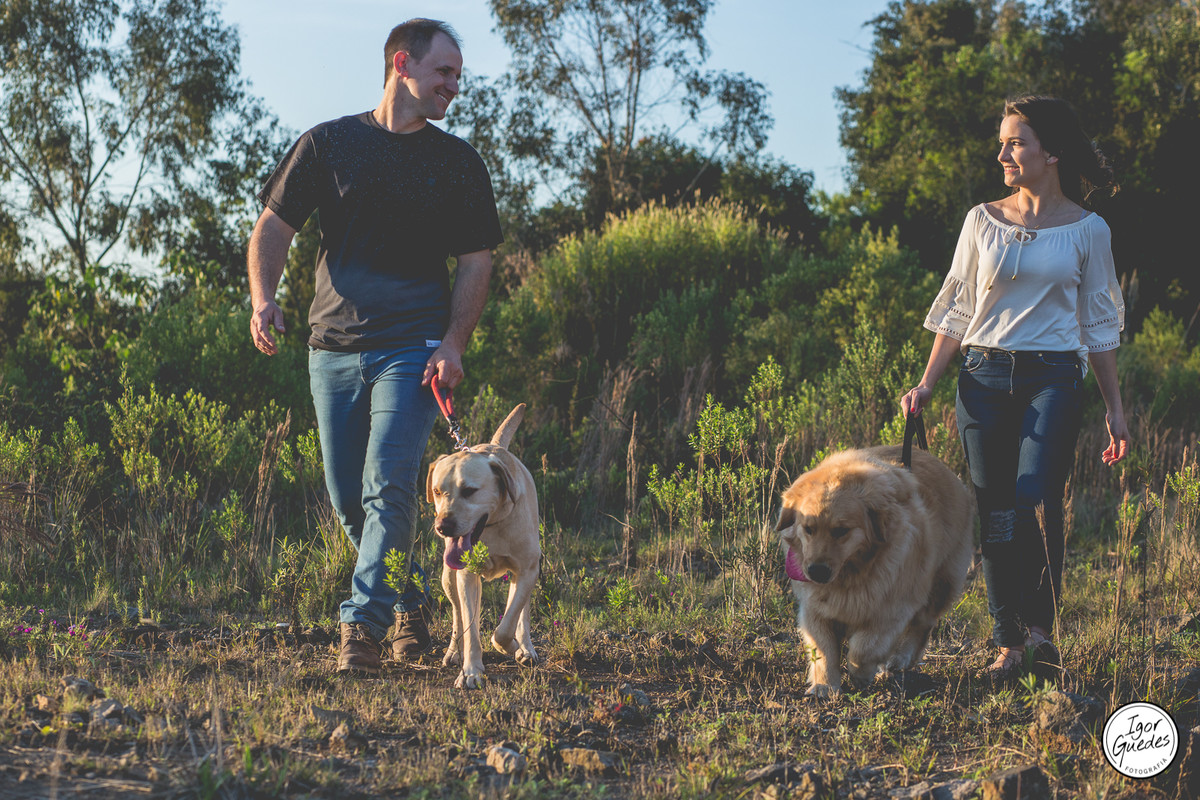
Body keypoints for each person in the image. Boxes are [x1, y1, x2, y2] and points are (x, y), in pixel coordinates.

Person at [248, 19, 503, 676]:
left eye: (458, 76)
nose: (454, 86)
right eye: (444, 72)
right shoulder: (328, 144)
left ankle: (360, 627)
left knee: (388, 485)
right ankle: (410, 601)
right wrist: (263, 297)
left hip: (413, 350)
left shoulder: (457, 162)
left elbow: (477, 260)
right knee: (348, 500)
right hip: (330, 349)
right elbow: (273, 226)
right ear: (402, 64)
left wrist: (453, 342)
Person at [901, 95, 1129, 684]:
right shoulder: (981, 220)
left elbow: (1099, 326)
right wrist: (926, 384)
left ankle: (1040, 632)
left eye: (1016, 143)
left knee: (1034, 497)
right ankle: (1007, 641)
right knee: (997, 511)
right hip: (982, 378)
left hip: (1053, 378)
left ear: (1051, 153)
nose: (1003, 154)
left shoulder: (1089, 230)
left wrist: (1115, 409)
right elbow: (958, 311)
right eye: (1002, 143)